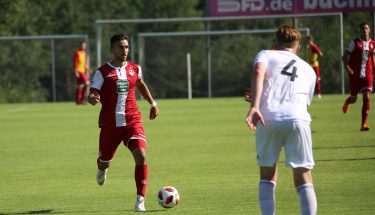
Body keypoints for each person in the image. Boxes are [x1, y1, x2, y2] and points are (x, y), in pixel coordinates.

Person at [245, 26, 317, 215]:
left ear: (275, 43)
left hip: (268, 119)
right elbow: (302, 100)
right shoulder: (309, 69)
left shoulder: (266, 54)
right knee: (303, 176)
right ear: (299, 47)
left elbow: (258, 73)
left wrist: (254, 104)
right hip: (298, 120)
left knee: (267, 176)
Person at [88, 33, 159, 212]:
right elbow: (93, 91)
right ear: (112, 50)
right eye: (120, 47)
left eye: (126, 47)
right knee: (105, 162)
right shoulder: (103, 72)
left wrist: (153, 103)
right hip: (110, 125)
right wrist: (92, 97)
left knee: (141, 156)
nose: (124, 50)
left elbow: (141, 84)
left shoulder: (135, 68)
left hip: (132, 121)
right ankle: (102, 166)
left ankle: (140, 200)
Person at [342, 22, 374, 131]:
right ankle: (348, 101)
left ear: (369, 30)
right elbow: (344, 56)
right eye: (362, 28)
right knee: (354, 99)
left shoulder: (373, 44)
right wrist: (347, 68)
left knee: (366, 96)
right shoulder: (354, 42)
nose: (364, 30)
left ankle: (363, 124)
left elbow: (372, 58)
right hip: (355, 74)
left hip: (368, 74)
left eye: (366, 28)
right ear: (360, 31)